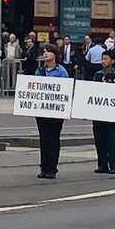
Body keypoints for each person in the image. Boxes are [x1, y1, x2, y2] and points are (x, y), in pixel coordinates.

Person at [34, 44, 70, 179]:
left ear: (55, 54)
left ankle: (52, 168)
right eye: (44, 52)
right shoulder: (40, 71)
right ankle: (44, 167)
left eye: (48, 52)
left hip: (55, 112)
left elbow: (64, 90)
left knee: (53, 138)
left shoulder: (61, 71)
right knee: (44, 139)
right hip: (42, 111)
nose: (46, 54)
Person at [91, 49, 115, 174]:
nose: (103, 61)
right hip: (98, 113)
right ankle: (102, 164)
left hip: (110, 113)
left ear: (112, 61)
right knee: (99, 139)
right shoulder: (98, 74)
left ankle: (113, 165)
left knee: (110, 139)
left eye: (106, 59)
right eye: (102, 59)